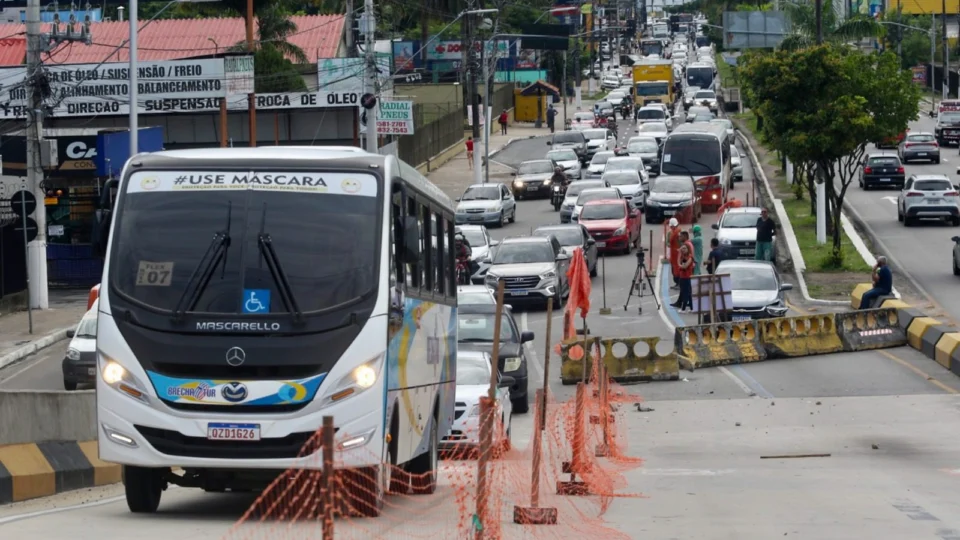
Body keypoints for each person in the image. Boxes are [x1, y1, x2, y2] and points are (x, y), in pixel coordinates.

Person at [675, 244, 694, 311]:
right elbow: (680, 265)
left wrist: (679, 264)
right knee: (687, 293)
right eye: (682, 248)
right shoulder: (683, 257)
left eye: (685, 248)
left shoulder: (690, 257)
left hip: (687, 277)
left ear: (688, 249)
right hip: (682, 277)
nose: (683, 250)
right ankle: (692, 308)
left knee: (686, 293)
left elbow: (684, 266)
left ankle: (683, 309)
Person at [668, 217, 681, 289]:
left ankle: (678, 284)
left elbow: (671, 240)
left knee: (676, 270)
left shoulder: (676, 233)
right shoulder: (676, 232)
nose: (670, 227)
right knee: (674, 269)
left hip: (676, 255)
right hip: (674, 254)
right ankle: (677, 283)